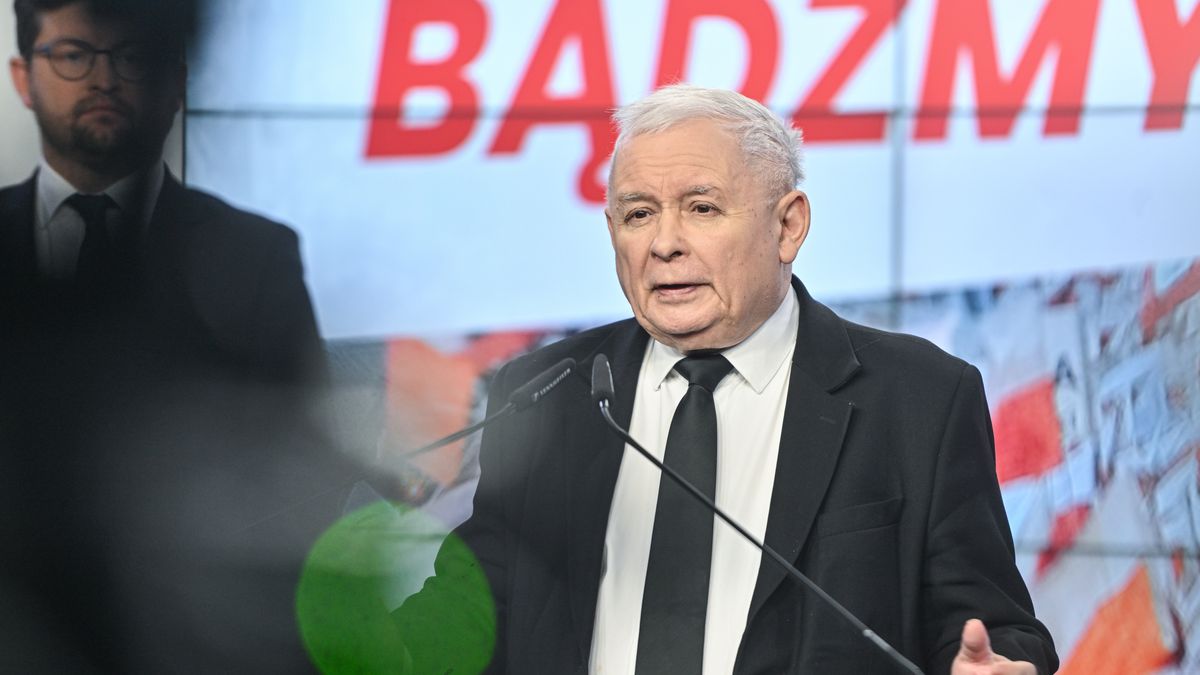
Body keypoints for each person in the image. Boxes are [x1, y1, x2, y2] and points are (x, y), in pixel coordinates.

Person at [398, 84, 1058, 674]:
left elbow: (990, 626)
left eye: (702, 209)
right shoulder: (550, 391)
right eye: (638, 214)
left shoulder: (917, 397)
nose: (664, 243)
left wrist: (1000, 665)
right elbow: (470, 609)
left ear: (788, 224)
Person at [0, 1, 355, 671]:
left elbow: (301, 475)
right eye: (75, 54)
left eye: (133, 58)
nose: (105, 79)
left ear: (176, 82)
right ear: (24, 77)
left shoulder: (257, 255)